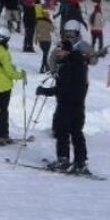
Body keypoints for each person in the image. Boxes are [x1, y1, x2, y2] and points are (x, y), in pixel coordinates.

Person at [41, 39, 90, 174]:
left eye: (60, 50)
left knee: (62, 132)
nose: (58, 53)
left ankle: (63, 159)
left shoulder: (67, 66)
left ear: (67, 51)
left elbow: (62, 88)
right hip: (78, 104)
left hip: (66, 104)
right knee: (76, 132)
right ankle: (81, 160)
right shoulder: (80, 64)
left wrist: (44, 91)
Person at [35, 6, 54, 73]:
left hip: (41, 40)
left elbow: (36, 31)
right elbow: (52, 30)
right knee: (45, 54)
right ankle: (43, 67)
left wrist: (35, 40)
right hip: (48, 40)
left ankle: (46, 67)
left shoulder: (39, 22)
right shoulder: (49, 22)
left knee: (45, 54)